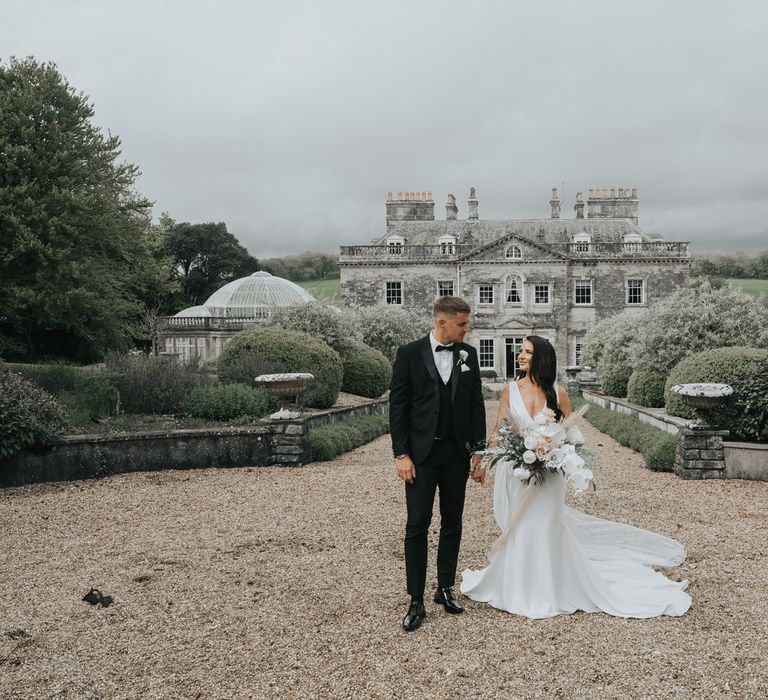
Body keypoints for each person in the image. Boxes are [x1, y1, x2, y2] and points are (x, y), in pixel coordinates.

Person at [461, 335, 692, 619]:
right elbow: (499, 429)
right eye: (520, 351)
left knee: (546, 524)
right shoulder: (509, 390)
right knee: (520, 525)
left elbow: (569, 436)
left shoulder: (559, 394)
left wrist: (553, 453)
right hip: (517, 471)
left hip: (550, 473)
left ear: (541, 358)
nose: (520, 356)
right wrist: (484, 458)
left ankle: (552, 587)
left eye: (527, 352)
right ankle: (519, 585)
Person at [389, 296, 487, 631]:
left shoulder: (468, 355)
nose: (467, 328)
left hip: (455, 455)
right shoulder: (409, 354)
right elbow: (398, 408)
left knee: (452, 521)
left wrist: (478, 452)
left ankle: (444, 589)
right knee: (417, 523)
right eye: (462, 323)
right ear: (442, 322)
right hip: (420, 456)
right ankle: (415, 599)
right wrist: (400, 454)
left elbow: (476, 406)